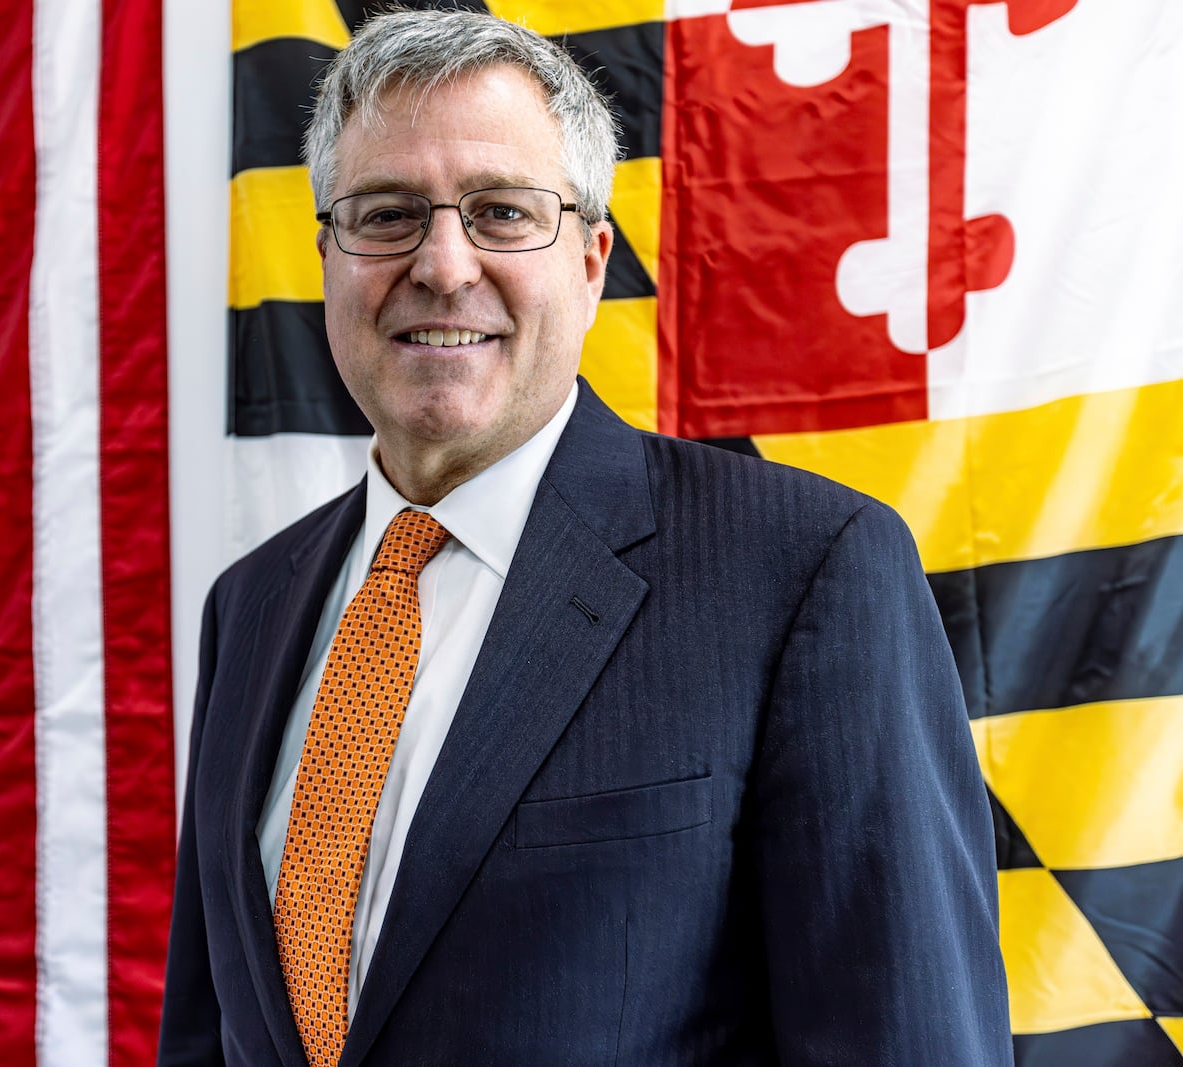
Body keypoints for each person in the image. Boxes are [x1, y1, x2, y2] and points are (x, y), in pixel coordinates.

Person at [158, 9, 1011, 1066]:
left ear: (593, 259)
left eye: (503, 212)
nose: (441, 263)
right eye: (384, 214)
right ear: (328, 252)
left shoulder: (805, 572)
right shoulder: (250, 602)